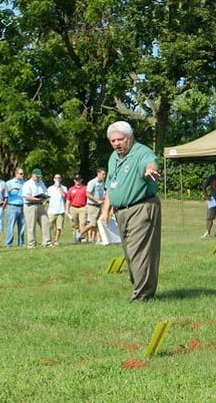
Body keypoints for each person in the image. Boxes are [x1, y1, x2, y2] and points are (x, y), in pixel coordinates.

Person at [100, 121, 161, 302]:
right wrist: (105, 211)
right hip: (121, 212)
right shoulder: (113, 157)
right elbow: (110, 186)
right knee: (129, 253)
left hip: (142, 207)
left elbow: (150, 164)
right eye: (113, 141)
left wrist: (151, 170)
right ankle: (140, 287)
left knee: (139, 252)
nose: (117, 143)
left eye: (121, 139)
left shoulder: (142, 152)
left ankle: (142, 296)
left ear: (131, 137)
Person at [22, 168, 52, 248]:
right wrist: (37, 199)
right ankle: (31, 244)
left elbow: (45, 192)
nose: (38, 178)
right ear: (33, 175)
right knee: (31, 225)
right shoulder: (27, 184)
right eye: (37, 176)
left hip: (40, 205)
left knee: (46, 223)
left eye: (39, 177)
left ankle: (47, 242)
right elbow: (26, 197)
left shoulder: (41, 183)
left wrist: (45, 198)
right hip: (30, 206)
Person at [81, 168, 106, 242]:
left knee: (99, 223)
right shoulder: (92, 182)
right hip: (92, 206)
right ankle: (80, 234)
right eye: (103, 174)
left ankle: (98, 241)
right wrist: (97, 201)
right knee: (92, 224)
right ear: (98, 174)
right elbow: (88, 194)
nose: (104, 176)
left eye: (105, 174)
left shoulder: (102, 182)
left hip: (100, 206)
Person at [5, 168, 25, 248]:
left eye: (23, 173)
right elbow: (4, 194)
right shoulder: (9, 183)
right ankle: (9, 243)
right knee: (11, 226)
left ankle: (21, 243)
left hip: (22, 206)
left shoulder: (25, 183)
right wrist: (11, 189)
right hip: (12, 206)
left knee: (22, 226)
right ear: (16, 174)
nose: (22, 175)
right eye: (21, 174)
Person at [65, 174, 87, 243]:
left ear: (81, 180)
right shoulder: (71, 189)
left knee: (83, 223)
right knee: (74, 225)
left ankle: (83, 238)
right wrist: (67, 209)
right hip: (73, 208)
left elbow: (88, 198)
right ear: (74, 180)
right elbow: (68, 200)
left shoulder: (85, 188)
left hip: (82, 208)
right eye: (76, 179)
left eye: (79, 179)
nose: (77, 181)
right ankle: (76, 238)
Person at [47, 174, 67, 245]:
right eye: (56, 178)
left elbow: (64, 196)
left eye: (59, 178)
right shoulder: (50, 188)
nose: (57, 179)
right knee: (49, 227)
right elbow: (47, 199)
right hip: (51, 210)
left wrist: (59, 187)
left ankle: (56, 241)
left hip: (60, 210)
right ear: (54, 179)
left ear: (61, 179)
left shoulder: (64, 188)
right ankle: (49, 240)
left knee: (59, 227)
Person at [202, 164, 216, 238]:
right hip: (212, 201)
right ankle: (208, 232)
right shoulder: (211, 177)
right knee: (209, 217)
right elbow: (204, 186)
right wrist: (206, 196)